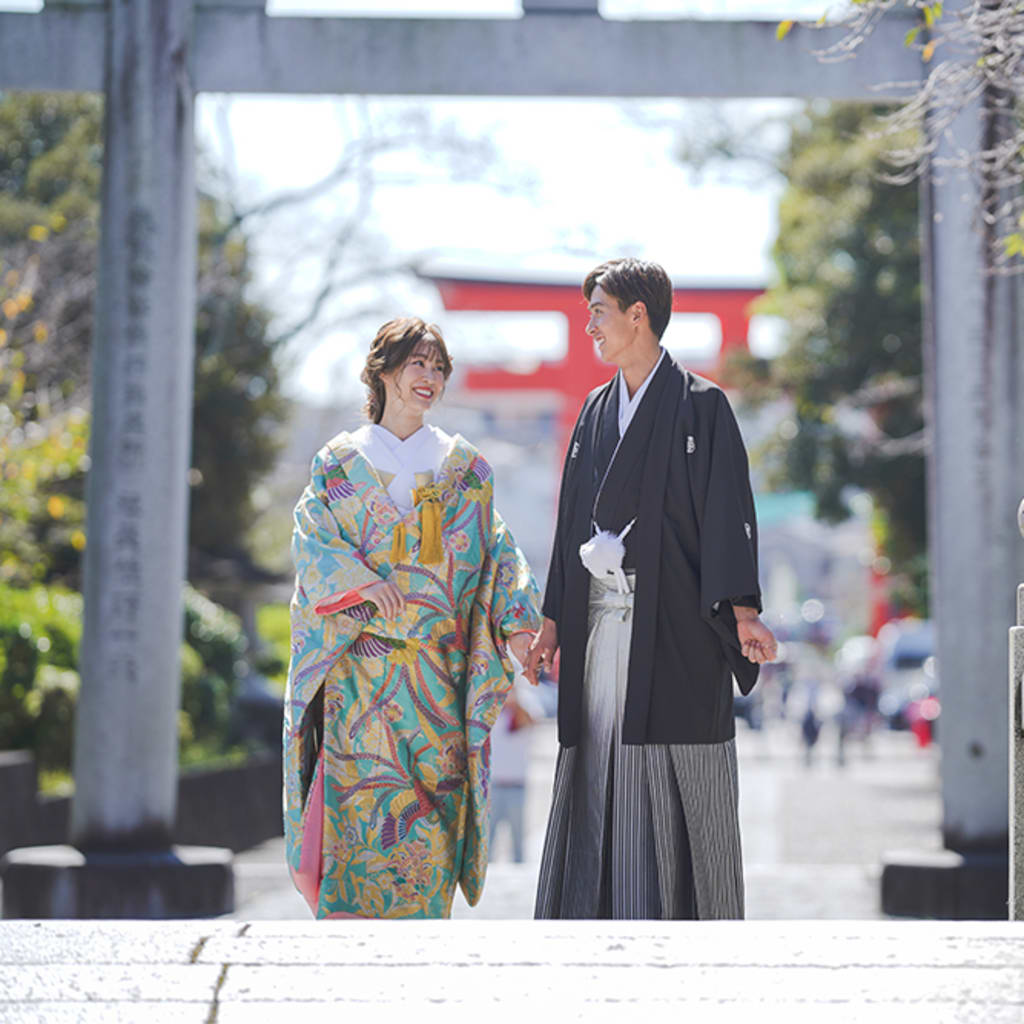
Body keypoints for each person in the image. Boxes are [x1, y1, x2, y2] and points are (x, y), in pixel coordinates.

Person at [525, 258, 777, 920]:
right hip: (598, 624)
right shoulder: (593, 410)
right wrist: (553, 622)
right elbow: (571, 519)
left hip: (675, 624)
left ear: (639, 315)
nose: (590, 328)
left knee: (673, 750)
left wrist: (743, 611)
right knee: (601, 755)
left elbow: (728, 511)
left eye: (599, 313)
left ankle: (681, 916)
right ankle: (596, 912)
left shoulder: (702, 406)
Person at [283, 316, 540, 919]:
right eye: (416, 364)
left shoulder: (466, 468)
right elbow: (312, 542)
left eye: (438, 367)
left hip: (436, 685)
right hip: (360, 686)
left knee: (427, 829)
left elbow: (497, 551)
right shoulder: (338, 463)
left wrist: (520, 625)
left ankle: (421, 956)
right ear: (383, 370)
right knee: (359, 825)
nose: (429, 378)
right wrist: (364, 584)